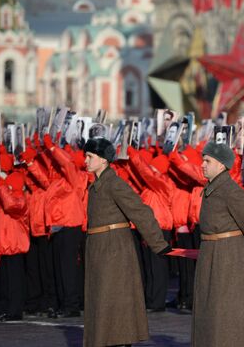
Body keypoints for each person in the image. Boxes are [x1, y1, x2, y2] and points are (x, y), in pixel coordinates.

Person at [83, 137, 172, 347]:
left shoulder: (113, 183)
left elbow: (140, 211)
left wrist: (158, 244)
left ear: (103, 160)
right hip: (100, 249)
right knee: (103, 303)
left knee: (116, 301)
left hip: (114, 250)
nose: (85, 160)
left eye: (90, 156)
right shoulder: (98, 184)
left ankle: (120, 341)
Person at [192, 142, 244, 346]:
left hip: (229, 259)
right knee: (211, 312)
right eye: (203, 160)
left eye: (207, 161)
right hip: (212, 256)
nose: (202, 165)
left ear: (221, 165)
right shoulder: (213, 187)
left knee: (227, 314)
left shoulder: (229, 190)